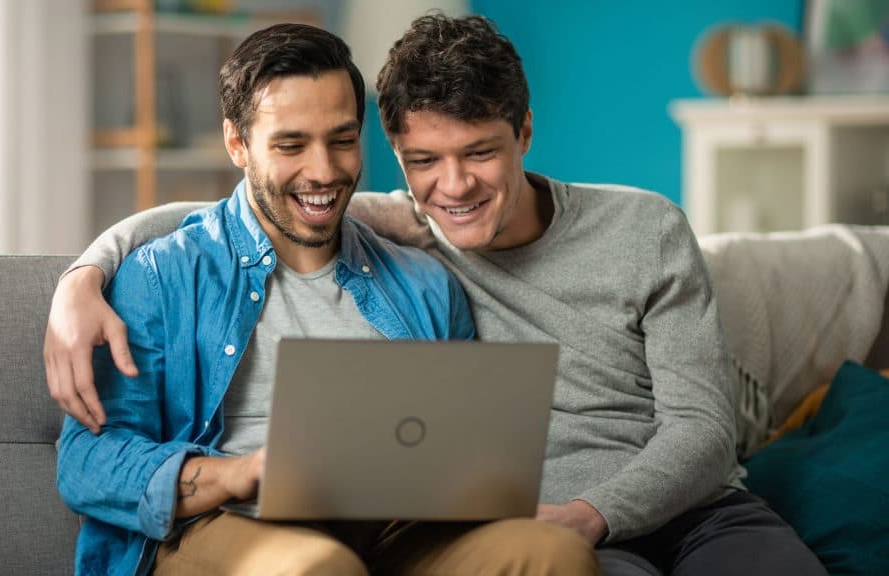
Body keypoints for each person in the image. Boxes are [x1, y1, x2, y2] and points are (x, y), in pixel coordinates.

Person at [48, 14, 826, 576]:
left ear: (524, 132)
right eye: (425, 160)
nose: (454, 187)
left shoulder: (422, 264)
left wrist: (573, 513)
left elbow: (697, 427)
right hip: (250, 522)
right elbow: (224, 225)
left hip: (626, 516)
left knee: (564, 555)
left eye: (480, 153)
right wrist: (83, 273)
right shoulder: (180, 269)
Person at [54, 22, 596, 576]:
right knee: (320, 568)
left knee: (555, 555)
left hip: (395, 528)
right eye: (291, 145)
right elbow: (84, 461)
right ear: (237, 144)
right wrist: (238, 473)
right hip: (228, 522)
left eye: (341, 140)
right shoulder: (162, 275)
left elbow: (465, 454)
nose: (325, 171)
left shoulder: (425, 283)